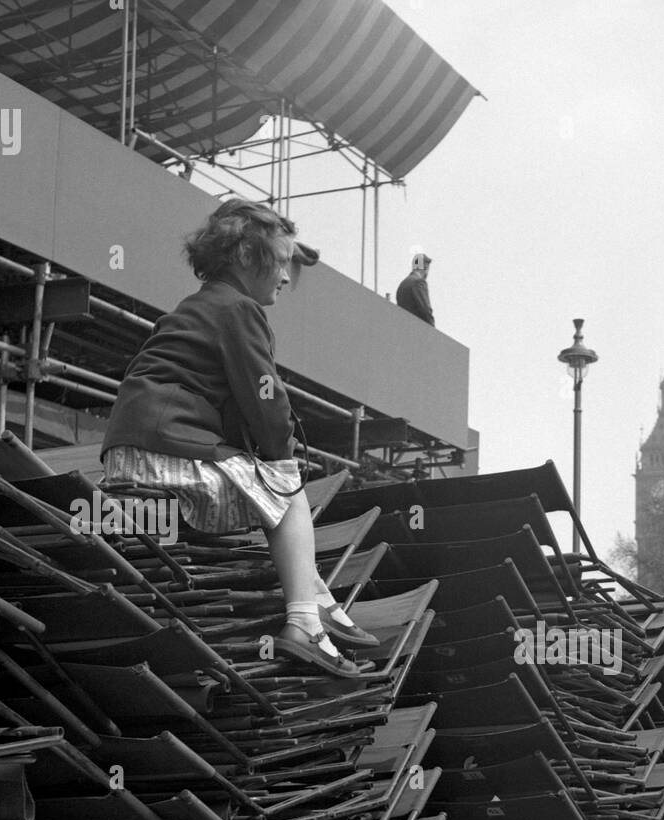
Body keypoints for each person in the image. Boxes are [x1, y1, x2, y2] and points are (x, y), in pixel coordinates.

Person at [99, 199, 378, 678]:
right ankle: (307, 623)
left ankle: (319, 597)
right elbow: (267, 407)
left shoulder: (198, 306)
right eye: (284, 261)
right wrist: (282, 454)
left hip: (131, 458)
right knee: (287, 489)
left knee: (270, 482)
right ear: (248, 257)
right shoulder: (240, 311)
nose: (287, 277)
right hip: (168, 456)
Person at [396, 252, 435, 325]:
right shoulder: (419, 282)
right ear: (425, 267)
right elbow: (426, 310)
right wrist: (433, 331)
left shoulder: (403, 284)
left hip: (405, 327)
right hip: (418, 329)